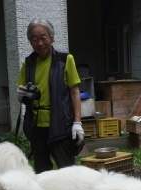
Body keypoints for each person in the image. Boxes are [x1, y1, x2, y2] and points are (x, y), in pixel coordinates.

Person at [17, 18, 84, 173]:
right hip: (36, 127)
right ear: (30, 42)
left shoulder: (65, 60)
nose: (39, 43)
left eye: (43, 38)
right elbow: (21, 92)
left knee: (67, 171)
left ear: (52, 38)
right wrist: (19, 94)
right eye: (34, 39)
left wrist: (77, 122)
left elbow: (74, 92)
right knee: (41, 172)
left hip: (60, 125)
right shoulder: (28, 63)